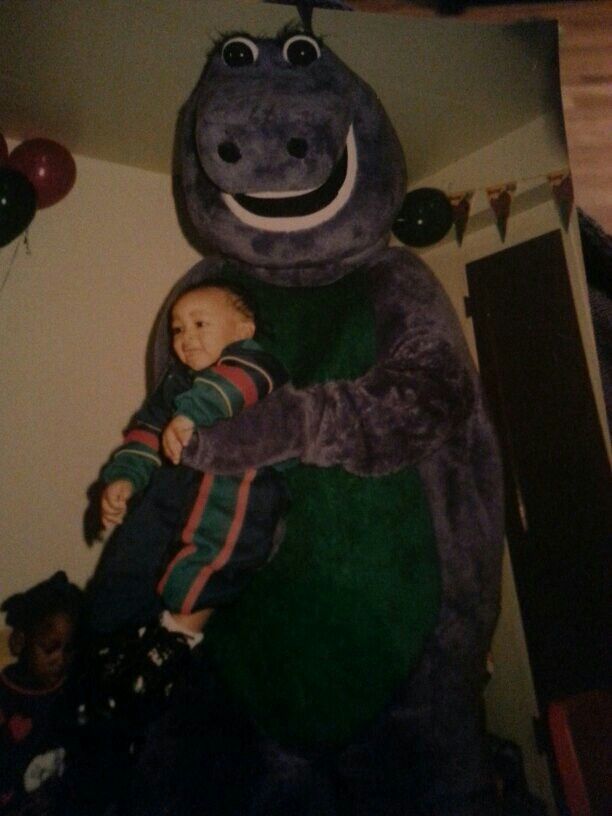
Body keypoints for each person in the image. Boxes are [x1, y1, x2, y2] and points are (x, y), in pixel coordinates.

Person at [86, 280, 289, 717]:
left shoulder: (257, 362)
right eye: (177, 329)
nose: (185, 337)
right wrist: (123, 477)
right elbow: (145, 429)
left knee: (213, 544)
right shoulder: (176, 382)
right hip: (177, 495)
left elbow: (238, 383)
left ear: (243, 328)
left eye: (200, 323)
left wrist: (190, 415)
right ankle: (121, 645)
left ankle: (175, 639)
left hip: (245, 490)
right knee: (132, 551)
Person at [0, 572, 83, 814]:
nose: (60, 659)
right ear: (19, 642)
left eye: (68, 649)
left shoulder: (70, 690)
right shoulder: (5, 694)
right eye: (49, 648)